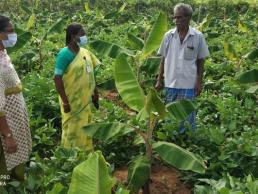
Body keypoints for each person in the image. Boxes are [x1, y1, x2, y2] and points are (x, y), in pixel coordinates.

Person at [155, 3, 210, 132]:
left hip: (188, 83)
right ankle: (173, 137)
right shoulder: (168, 36)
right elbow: (163, 58)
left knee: (187, 115)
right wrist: (159, 79)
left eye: (179, 17)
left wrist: (199, 81)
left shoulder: (198, 37)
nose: (176, 21)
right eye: (175, 18)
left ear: (188, 18)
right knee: (171, 114)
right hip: (170, 82)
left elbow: (201, 60)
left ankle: (187, 139)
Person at [54, 24, 100, 150]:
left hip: (86, 100)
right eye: (82, 34)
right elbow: (57, 78)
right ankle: (70, 155)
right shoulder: (64, 54)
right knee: (73, 127)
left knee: (86, 126)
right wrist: (65, 102)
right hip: (71, 101)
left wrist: (95, 93)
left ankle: (86, 152)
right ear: (73, 37)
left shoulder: (85, 52)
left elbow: (92, 74)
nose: (85, 37)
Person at [0, 15, 32, 181]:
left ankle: (17, 186)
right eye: (10, 31)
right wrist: (8, 135)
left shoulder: (3, 52)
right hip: (6, 126)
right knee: (5, 164)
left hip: (16, 119)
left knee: (17, 158)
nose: (14, 35)